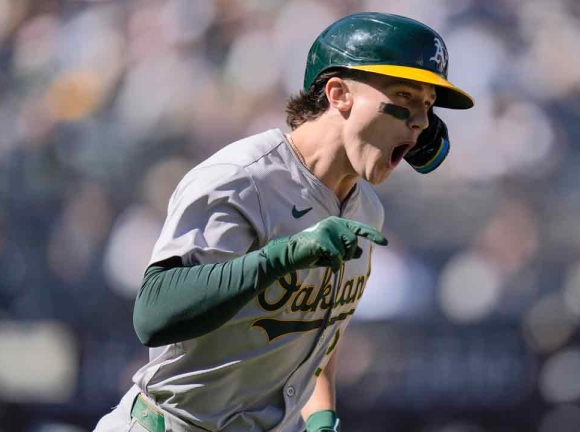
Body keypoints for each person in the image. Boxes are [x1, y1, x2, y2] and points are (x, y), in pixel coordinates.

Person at [95, 11, 473, 432]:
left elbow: (312, 335)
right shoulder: (242, 179)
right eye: (403, 96)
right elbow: (154, 315)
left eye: (427, 106)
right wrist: (281, 257)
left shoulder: (366, 208)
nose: (421, 122)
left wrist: (321, 418)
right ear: (338, 94)